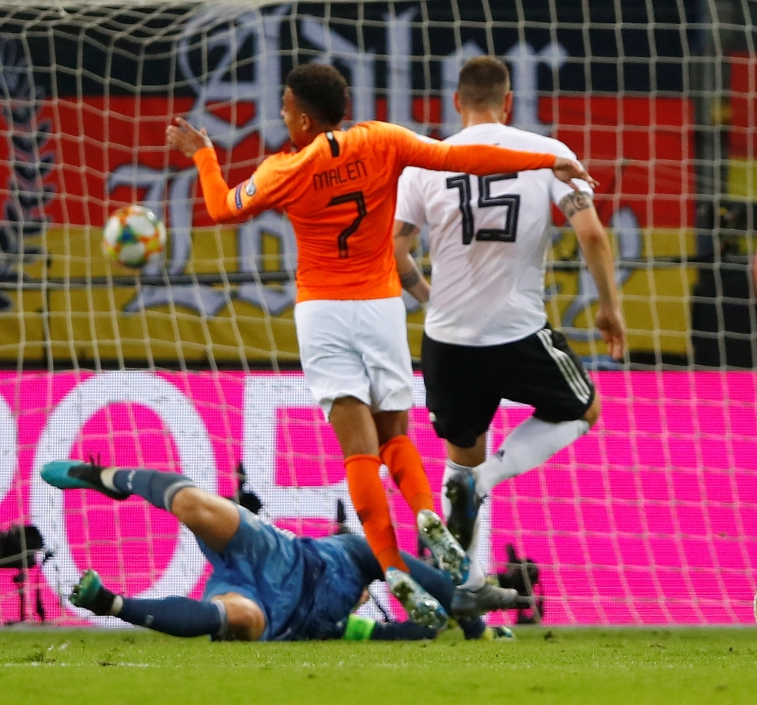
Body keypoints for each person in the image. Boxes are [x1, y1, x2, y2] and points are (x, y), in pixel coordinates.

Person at [166, 62, 596, 606]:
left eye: (284, 108)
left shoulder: (283, 170)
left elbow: (221, 206)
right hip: (379, 306)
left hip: (323, 310)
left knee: (358, 453)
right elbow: (460, 157)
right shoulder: (383, 141)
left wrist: (203, 154)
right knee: (396, 434)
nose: (280, 115)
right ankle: (424, 511)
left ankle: (393, 569)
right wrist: (548, 159)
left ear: (301, 116)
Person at [391, 56, 626, 590]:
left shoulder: (426, 161)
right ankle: (490, 480)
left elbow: (395, 251)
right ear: (509, 101)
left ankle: (467, 590)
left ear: (456, 102)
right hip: (517, 332)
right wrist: (610, 306)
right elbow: (591, 235)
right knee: (584, 407)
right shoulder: (548, 154)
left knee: (460, 458)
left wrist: (431, 298)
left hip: (447, 340)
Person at [40, 458, 519, 642]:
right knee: (192, 502)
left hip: (263, 606)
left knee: (239, 619)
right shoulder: (354, 558)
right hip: (273, 552)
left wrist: (431, 629)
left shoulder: (349, 628)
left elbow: (410, 635)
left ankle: (113, 604)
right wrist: (474, 629)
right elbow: (405, 567)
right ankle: (103, 478)